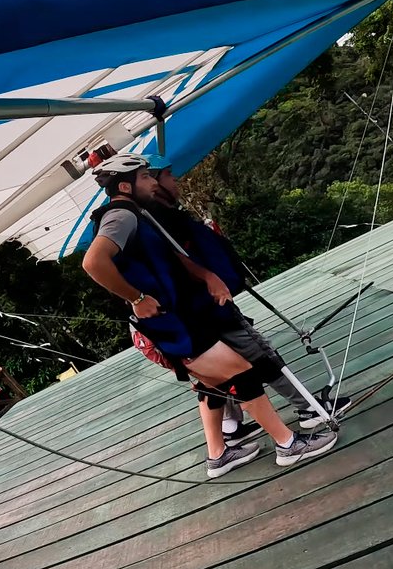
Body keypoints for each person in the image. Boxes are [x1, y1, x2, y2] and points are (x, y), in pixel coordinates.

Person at [81, 153, 336, 477]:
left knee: (217, 381)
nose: (151, 182)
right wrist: (137, 297)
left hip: (178, 318)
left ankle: (219, 455)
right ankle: (288, 445)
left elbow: (172, 256)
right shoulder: (120, 217)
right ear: (125, 186)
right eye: (144, 177)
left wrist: (207, 276)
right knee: (241, 373)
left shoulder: (137, 213)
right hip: (170, 324)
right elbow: (93, 263)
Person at [145, 160, 350, 437]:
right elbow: (178, 264)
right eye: (168, 176)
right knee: (258, 355)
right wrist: (210, 278)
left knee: (221, 373)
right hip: (208, 309)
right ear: (154, 184)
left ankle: (230, 427)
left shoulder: (164, 219)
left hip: (204, 309)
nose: (175, 181)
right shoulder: (158, 223)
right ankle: (307, 409)